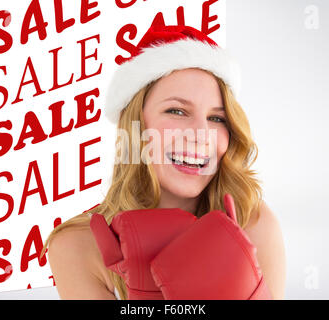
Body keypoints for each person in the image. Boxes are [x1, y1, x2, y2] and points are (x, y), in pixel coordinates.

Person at [42, 21, 286, 300]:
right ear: (136, 126)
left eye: (216, 118)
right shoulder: (76, 246)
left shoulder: (251, 222)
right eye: (177, 111)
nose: (200, 135)